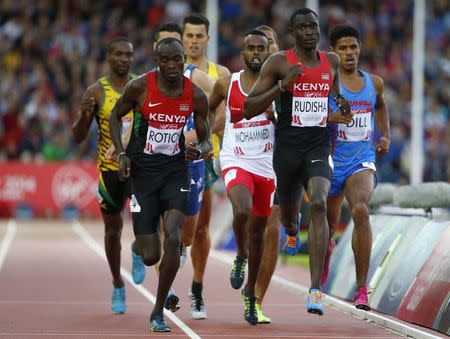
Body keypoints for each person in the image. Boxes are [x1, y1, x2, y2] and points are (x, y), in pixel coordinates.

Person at [243, 8, 351, 316]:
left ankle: (315, 290)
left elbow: (334, 92)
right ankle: (292, 227)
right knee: (288, 216)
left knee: (318, 202)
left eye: (313, 26)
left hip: (317, 145)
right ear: (292, 32)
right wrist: (282, 86)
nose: (309, 32)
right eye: (302, 27)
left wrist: (341, 103)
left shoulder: (331, 61)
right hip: (286, 151)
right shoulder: (278, 63)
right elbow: (249, 107)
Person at [109, 37, 212, 332]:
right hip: (143, 175)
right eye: (165, 60)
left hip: (175, 173)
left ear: (183, 60)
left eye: (176, 59)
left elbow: (205, 140)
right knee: (152, 253)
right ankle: (140, 245)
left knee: (174, 239)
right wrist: (123, 153)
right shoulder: (140, 87)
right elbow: (116, 116)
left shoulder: (195, 95)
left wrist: (200, 150)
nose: (171, 65)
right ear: (157, 62)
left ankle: (157, 311)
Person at [323, 24, 390, 311]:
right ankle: (326, 247)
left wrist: (384, 134)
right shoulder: (327, 82)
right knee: (325, 225)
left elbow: (381, 106)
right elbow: (310, 114)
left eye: (354, 47)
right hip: (329, 160)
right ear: (334, 53)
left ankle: (362, 289)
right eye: (343, 48)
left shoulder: (374, 83)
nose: (350, 53)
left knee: (361, 210)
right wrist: (331, 117)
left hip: (360, 160)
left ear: (360, 48)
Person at [210, 29, 274, 325]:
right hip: (235, 158)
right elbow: (204, 112)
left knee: (259, 231)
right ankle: (240, 254)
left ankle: (250, 294)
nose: (257, 53)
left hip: (266, 164)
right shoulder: (227, 84)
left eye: (262, 48)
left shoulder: (280, 86)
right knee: (243, 210)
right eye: (251, 48)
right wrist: (198, 137)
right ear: (243, 54)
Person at [72, 36, 134, 315]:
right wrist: (85, 117)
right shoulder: (96, 91)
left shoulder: (140, 86)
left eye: (128, 55)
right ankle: (118, 283)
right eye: (118, 54)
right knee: (113, 230)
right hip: (108, 173)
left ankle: (140, 249)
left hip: (137, 170)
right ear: (109, 58)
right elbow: (78, 136)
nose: (123, 59)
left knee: (148, 221)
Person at [182, 13, 230, 319]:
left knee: (200, 230)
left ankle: (197, 289)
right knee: (169, 230)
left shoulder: (219, 74)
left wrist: (198, 135)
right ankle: (167, 292)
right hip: (170, 159)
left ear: (208, 39)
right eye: (190, 36)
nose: (195, 41)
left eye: (200, 36)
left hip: (206, 158)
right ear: (183, 38)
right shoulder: (171, 70)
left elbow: (224, 116)